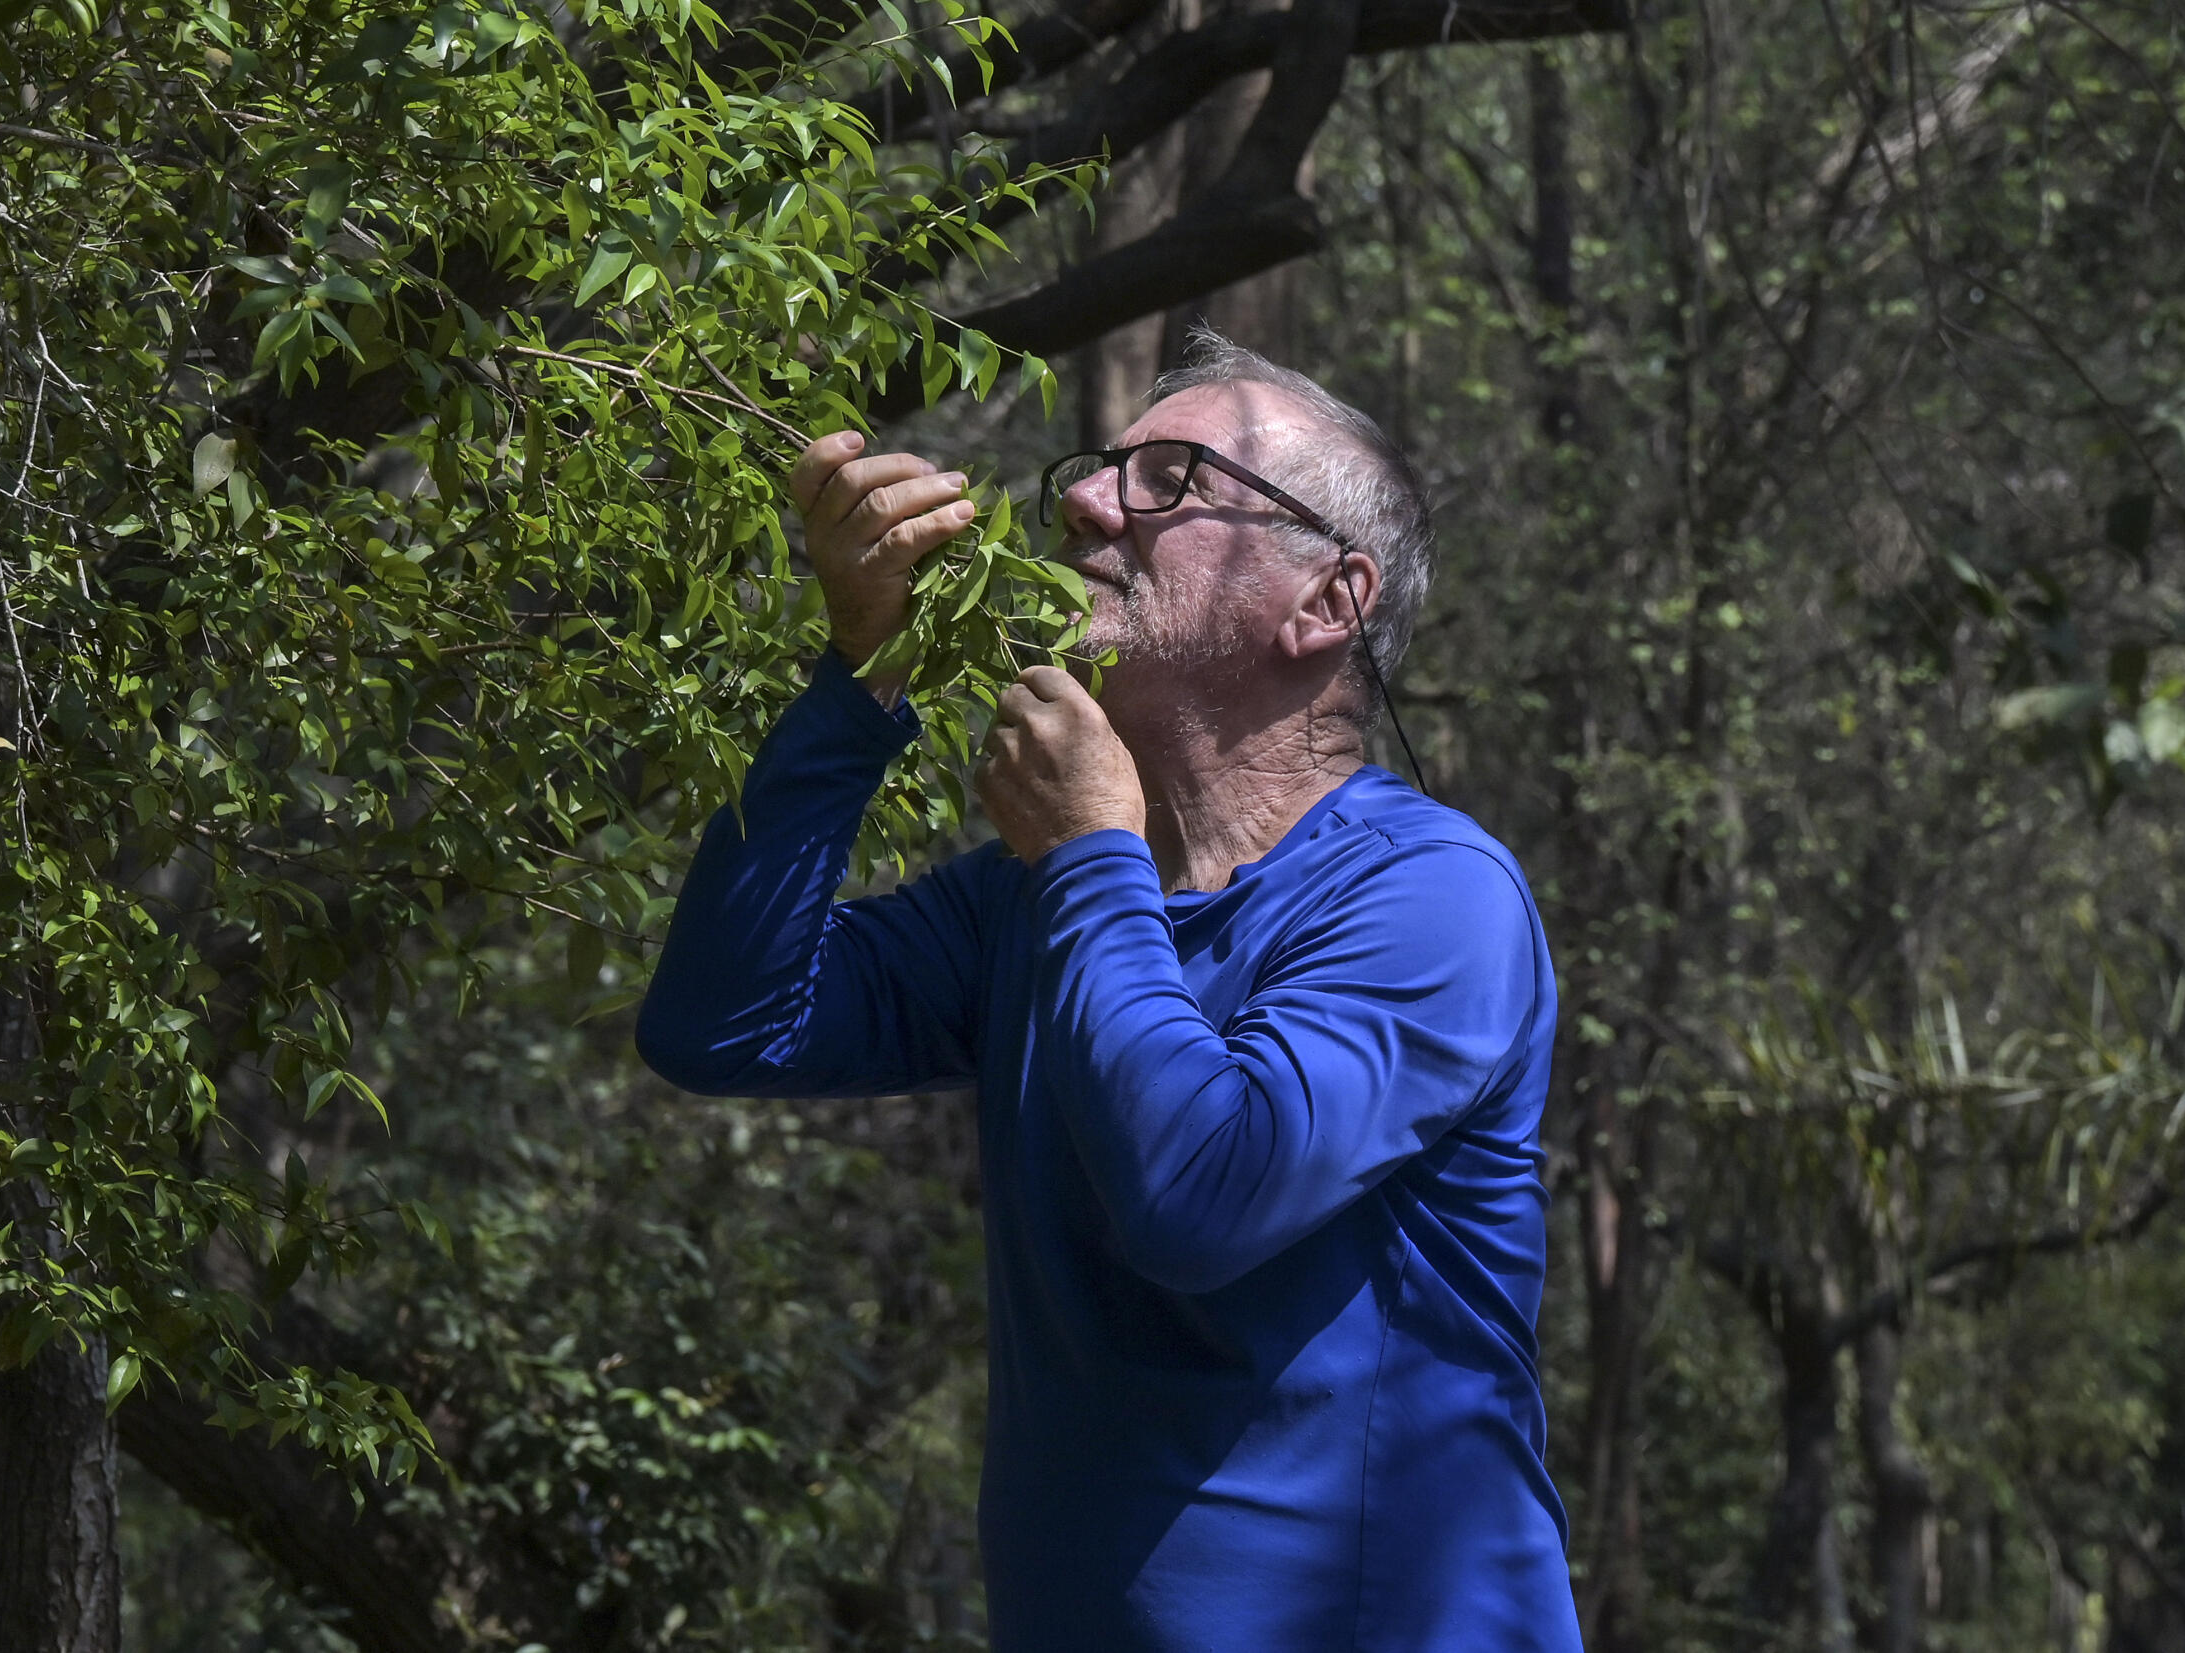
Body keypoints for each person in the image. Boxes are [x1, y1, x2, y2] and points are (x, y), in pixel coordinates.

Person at [637, 332, 1580, 1651]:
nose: (1083, 500)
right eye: (1100, 469)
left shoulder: (1433, 899)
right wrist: (863, 677)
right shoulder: (1040, 898)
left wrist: (1087, 854)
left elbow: (1201, 1195)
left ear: (1328, 600)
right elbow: (721, 1022)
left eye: (1172, 480)